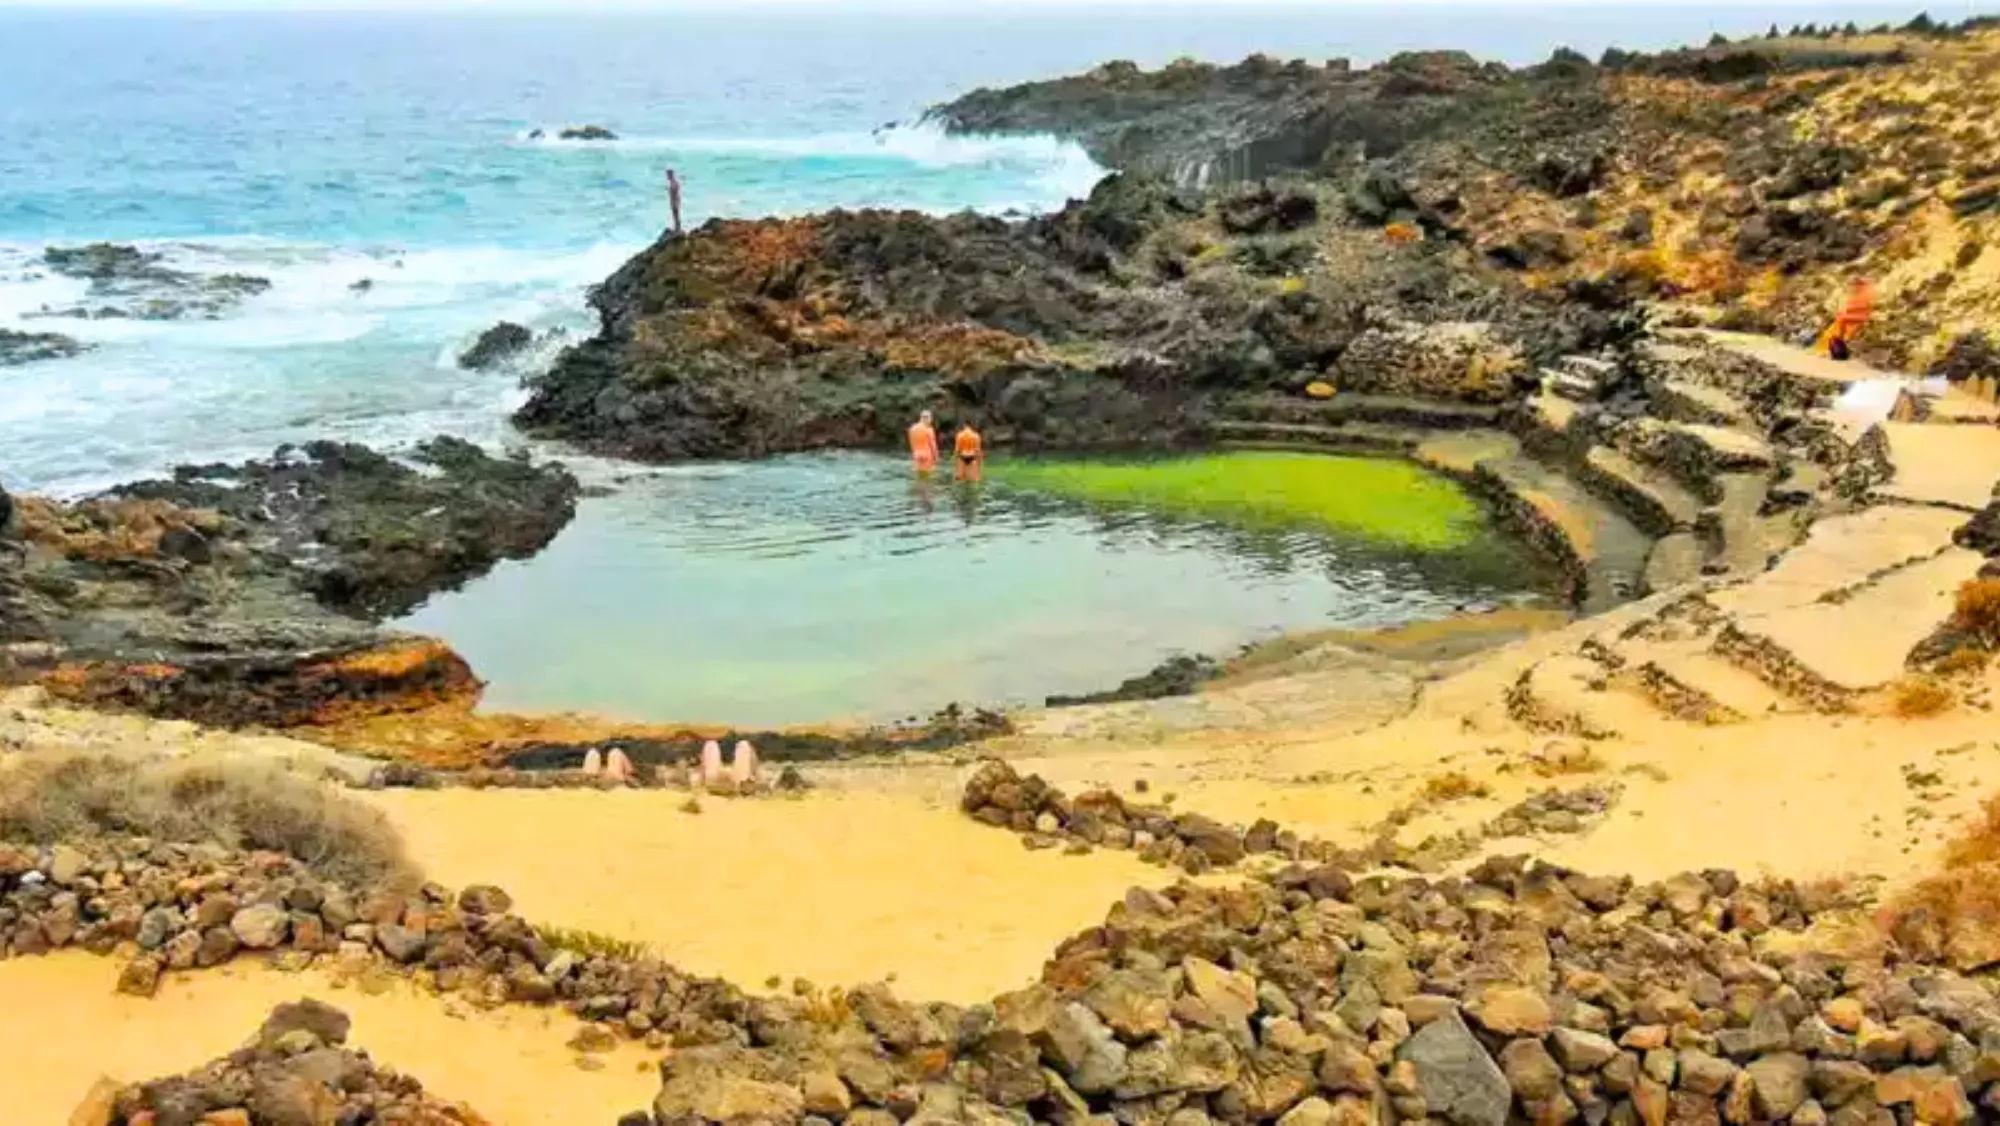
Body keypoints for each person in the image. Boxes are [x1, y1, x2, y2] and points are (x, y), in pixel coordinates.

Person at [1820, 277, 1874, 361]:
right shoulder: (1842, 292)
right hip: (1846, 319)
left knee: (1839, 328)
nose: (1853, 287)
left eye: (1855, 285)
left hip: (1856, 319)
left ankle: (1838, 348)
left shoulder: (1864, 294)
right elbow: (1831, 306)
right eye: (1851, 285)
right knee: (1834, 331)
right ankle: (1836, 348)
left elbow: (1867, 308)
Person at [908, 410, 939, 474]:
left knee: (918, 474)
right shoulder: (928, 429)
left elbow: (911, 443)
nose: (931, 420)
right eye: (931, 418)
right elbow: (933, 444)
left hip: (916, 454)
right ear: (927, 418)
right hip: (927, 455)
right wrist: (936, 457)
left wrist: (914, 453)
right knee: (927, 475)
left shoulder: (912, 428)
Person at [666, 169, 684, 235]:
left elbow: (675, 192)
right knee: (675, 215)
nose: (667, 176)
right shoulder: (673, 182)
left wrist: (675, 201)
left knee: (676, 215)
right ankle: (677, 228)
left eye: (668, 175)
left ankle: (678, 229)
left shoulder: (674, 182)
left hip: (675, 201)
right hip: (674, 201)